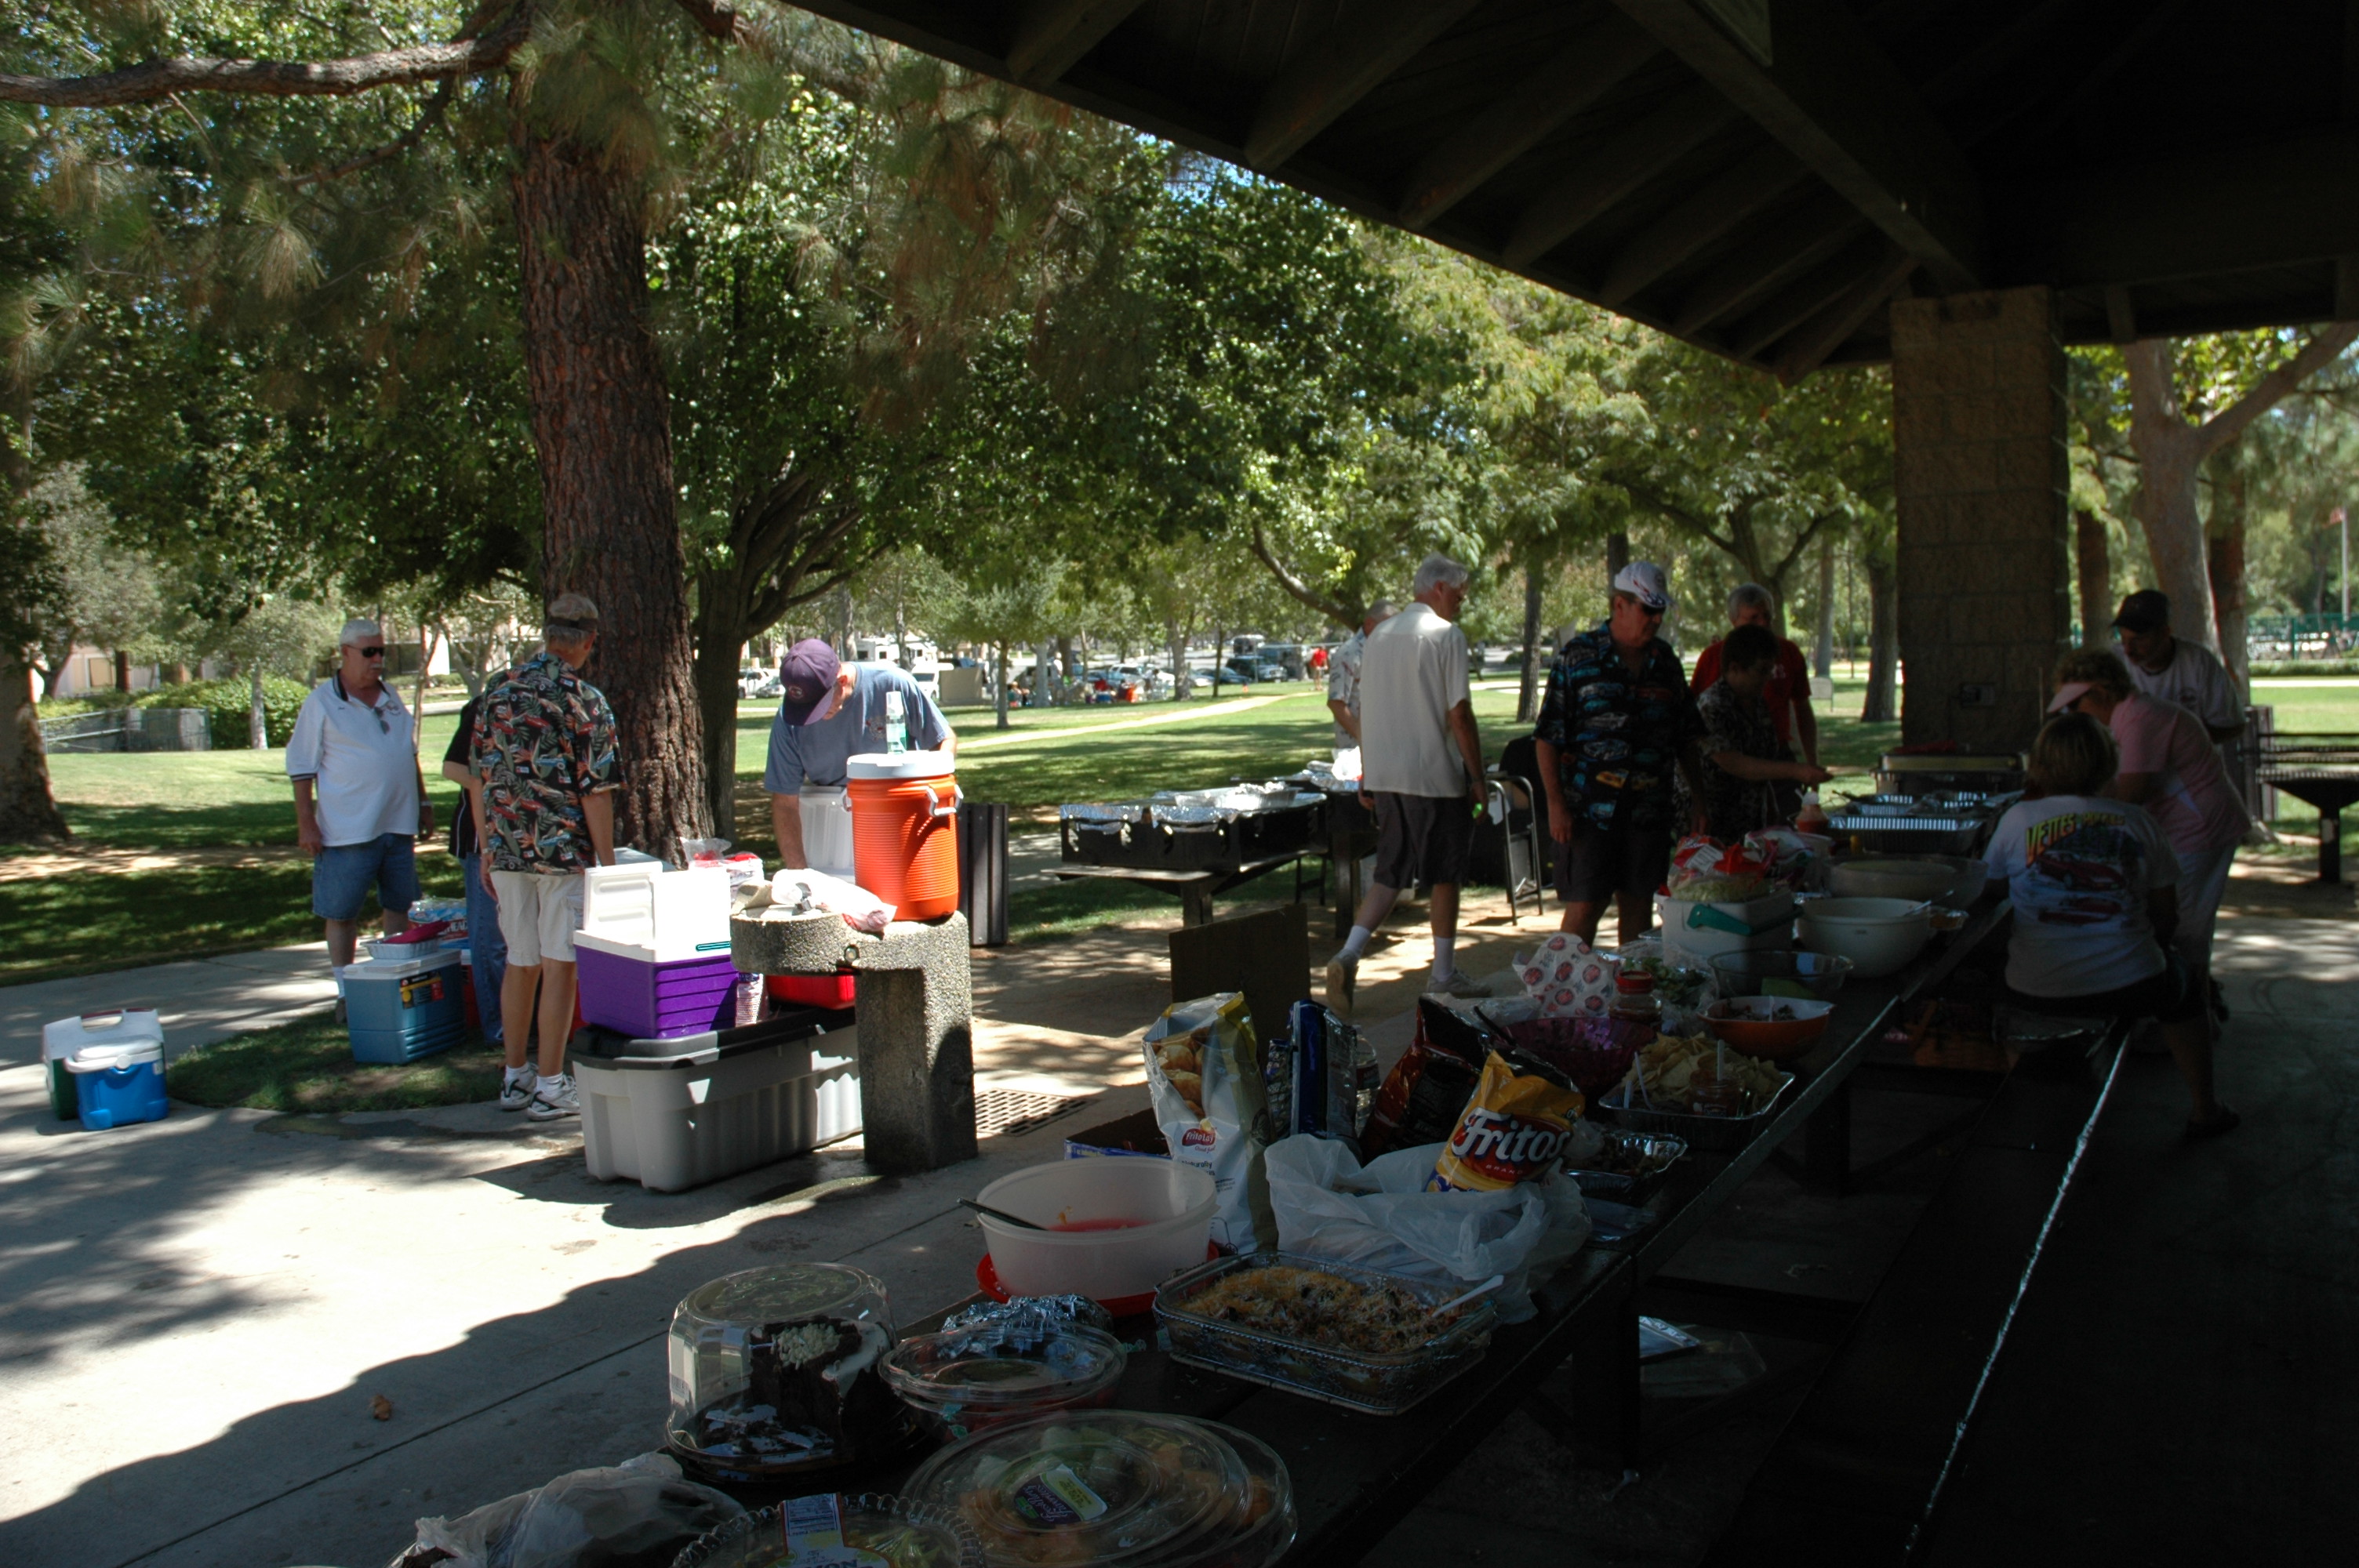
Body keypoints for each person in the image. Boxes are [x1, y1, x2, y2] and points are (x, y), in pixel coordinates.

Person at [1983, 713, 2237, 1138]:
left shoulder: (2017, 819)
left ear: (2038, 766)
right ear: (2108, 764)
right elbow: (2167, 914)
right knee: (2187, 989)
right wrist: (2152, 947)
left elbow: (1989, 888)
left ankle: (2029, 1106)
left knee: (2003, 995)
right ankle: (2204, 1107)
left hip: (2036, 986)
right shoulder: (2138, 821)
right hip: (2132, 980)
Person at [471, 595, 621, 1121]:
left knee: (520, 960)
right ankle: (551, 1085)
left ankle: (515, 1078)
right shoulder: (583, 699)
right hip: (562, 851)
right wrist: (607, 865)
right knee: (560, 965)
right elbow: (596, 790)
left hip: (507, 846)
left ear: (548, 633)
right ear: (589, 641)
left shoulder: (497, 690)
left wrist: (487, 846)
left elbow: (480, 775)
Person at [2048, 647, 2248, 1020]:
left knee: (2187, 929)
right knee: (2183, 925)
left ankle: (2191, 1018)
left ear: (2101, 692)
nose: (2072, 714)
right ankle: (2188, 1011)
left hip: (2201, 830)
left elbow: (2130, 794)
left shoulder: (2141, 719)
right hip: (2184, 828)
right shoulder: (2130, 716)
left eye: (2076, 704)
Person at [1325, 560, 1484, 1009]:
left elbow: (1369, 712)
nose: (1461, 601)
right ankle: (1443, 973)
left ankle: (1348, 954)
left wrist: (1368, 771)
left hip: (1388, 777)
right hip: (1433, 776)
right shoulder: (1446, 636)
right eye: (1459, 593)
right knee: (1445, 875)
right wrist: (1477, 776)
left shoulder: (1378, 638)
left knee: (1390, 872)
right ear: (1439, 588)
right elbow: (1459, 714)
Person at [1535, 561, 1707, 947]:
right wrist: (1555, 804)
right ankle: (1563, 980)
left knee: (1639, 910)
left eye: (1660, 611)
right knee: (1585, 907)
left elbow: (1686, 738)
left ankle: (1631, 983)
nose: (1656, 619)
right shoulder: (1578, 657)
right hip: (1590, 811)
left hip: (1649, 811)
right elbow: (1548, 738)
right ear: (1619, 605)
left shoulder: (1665, 662)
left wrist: (1699, 799)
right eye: (1648, 609)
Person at [285, 619, 433, 1016]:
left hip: (397, 824)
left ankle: (393, 980)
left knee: (399, 905)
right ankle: (345, 993)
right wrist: (306, 823)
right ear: (345, 653)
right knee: (342, 912)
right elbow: (301, 768)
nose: (377, 659)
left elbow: (408, 753)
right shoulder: (321, 703)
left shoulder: (390, 696)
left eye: (382, 651)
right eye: (369, 652)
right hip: (347, 830)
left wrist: (423, 803)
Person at [765, 638, 955, 870]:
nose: (812, 716)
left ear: (841, 681)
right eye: (805, 707)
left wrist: (930, 793)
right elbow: (784, 802)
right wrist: (800, 874)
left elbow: (944, 740)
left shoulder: (893, 683)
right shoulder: (789, 720)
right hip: (832, 834)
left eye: (819, 706)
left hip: (900, 823)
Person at [1693, 624, 1834, 840]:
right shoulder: (1711, 706)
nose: (1768, 678)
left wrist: (1770, 802)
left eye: (1771, 670)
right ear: (1735, 668)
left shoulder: (1757, 703)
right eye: (1762, 671)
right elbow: (1734, 762)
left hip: (1749, 816)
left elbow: (1762, 757)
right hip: (1712, 819)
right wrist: (1796, 771)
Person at [1690, 583, 1819, 768]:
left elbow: (1803, 707)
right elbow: (1692, 715)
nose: (1763, 623)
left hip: (1776, 750)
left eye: (1767, 616)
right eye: (1753, 618)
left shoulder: (1788, 652)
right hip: (1727, 755)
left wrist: (1812, 761)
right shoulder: (1712, 657)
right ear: (1734, 620)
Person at [439, 689, 506, 1044]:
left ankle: (525, 1021)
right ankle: (498, 1028)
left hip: (523, 838)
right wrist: (493, 785)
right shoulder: (486, 704)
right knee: (490, 938)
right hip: (479, 837)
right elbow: (451, 767)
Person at [2110, 590, 2245, 746]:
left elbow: (2232, 726)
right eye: (2124, 639)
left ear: (2165, 633)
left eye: (2139, 640)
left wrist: (2174, 740)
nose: (2128, 649)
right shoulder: (2114, 663)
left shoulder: (2198, 662)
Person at [1324, 599, 1398, 752]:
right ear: (1369, 624)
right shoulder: (1349, 654)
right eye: (1387, 626)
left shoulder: (1382, 651)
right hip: (1355, 747)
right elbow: (1336, 703)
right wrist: (1363, 738)